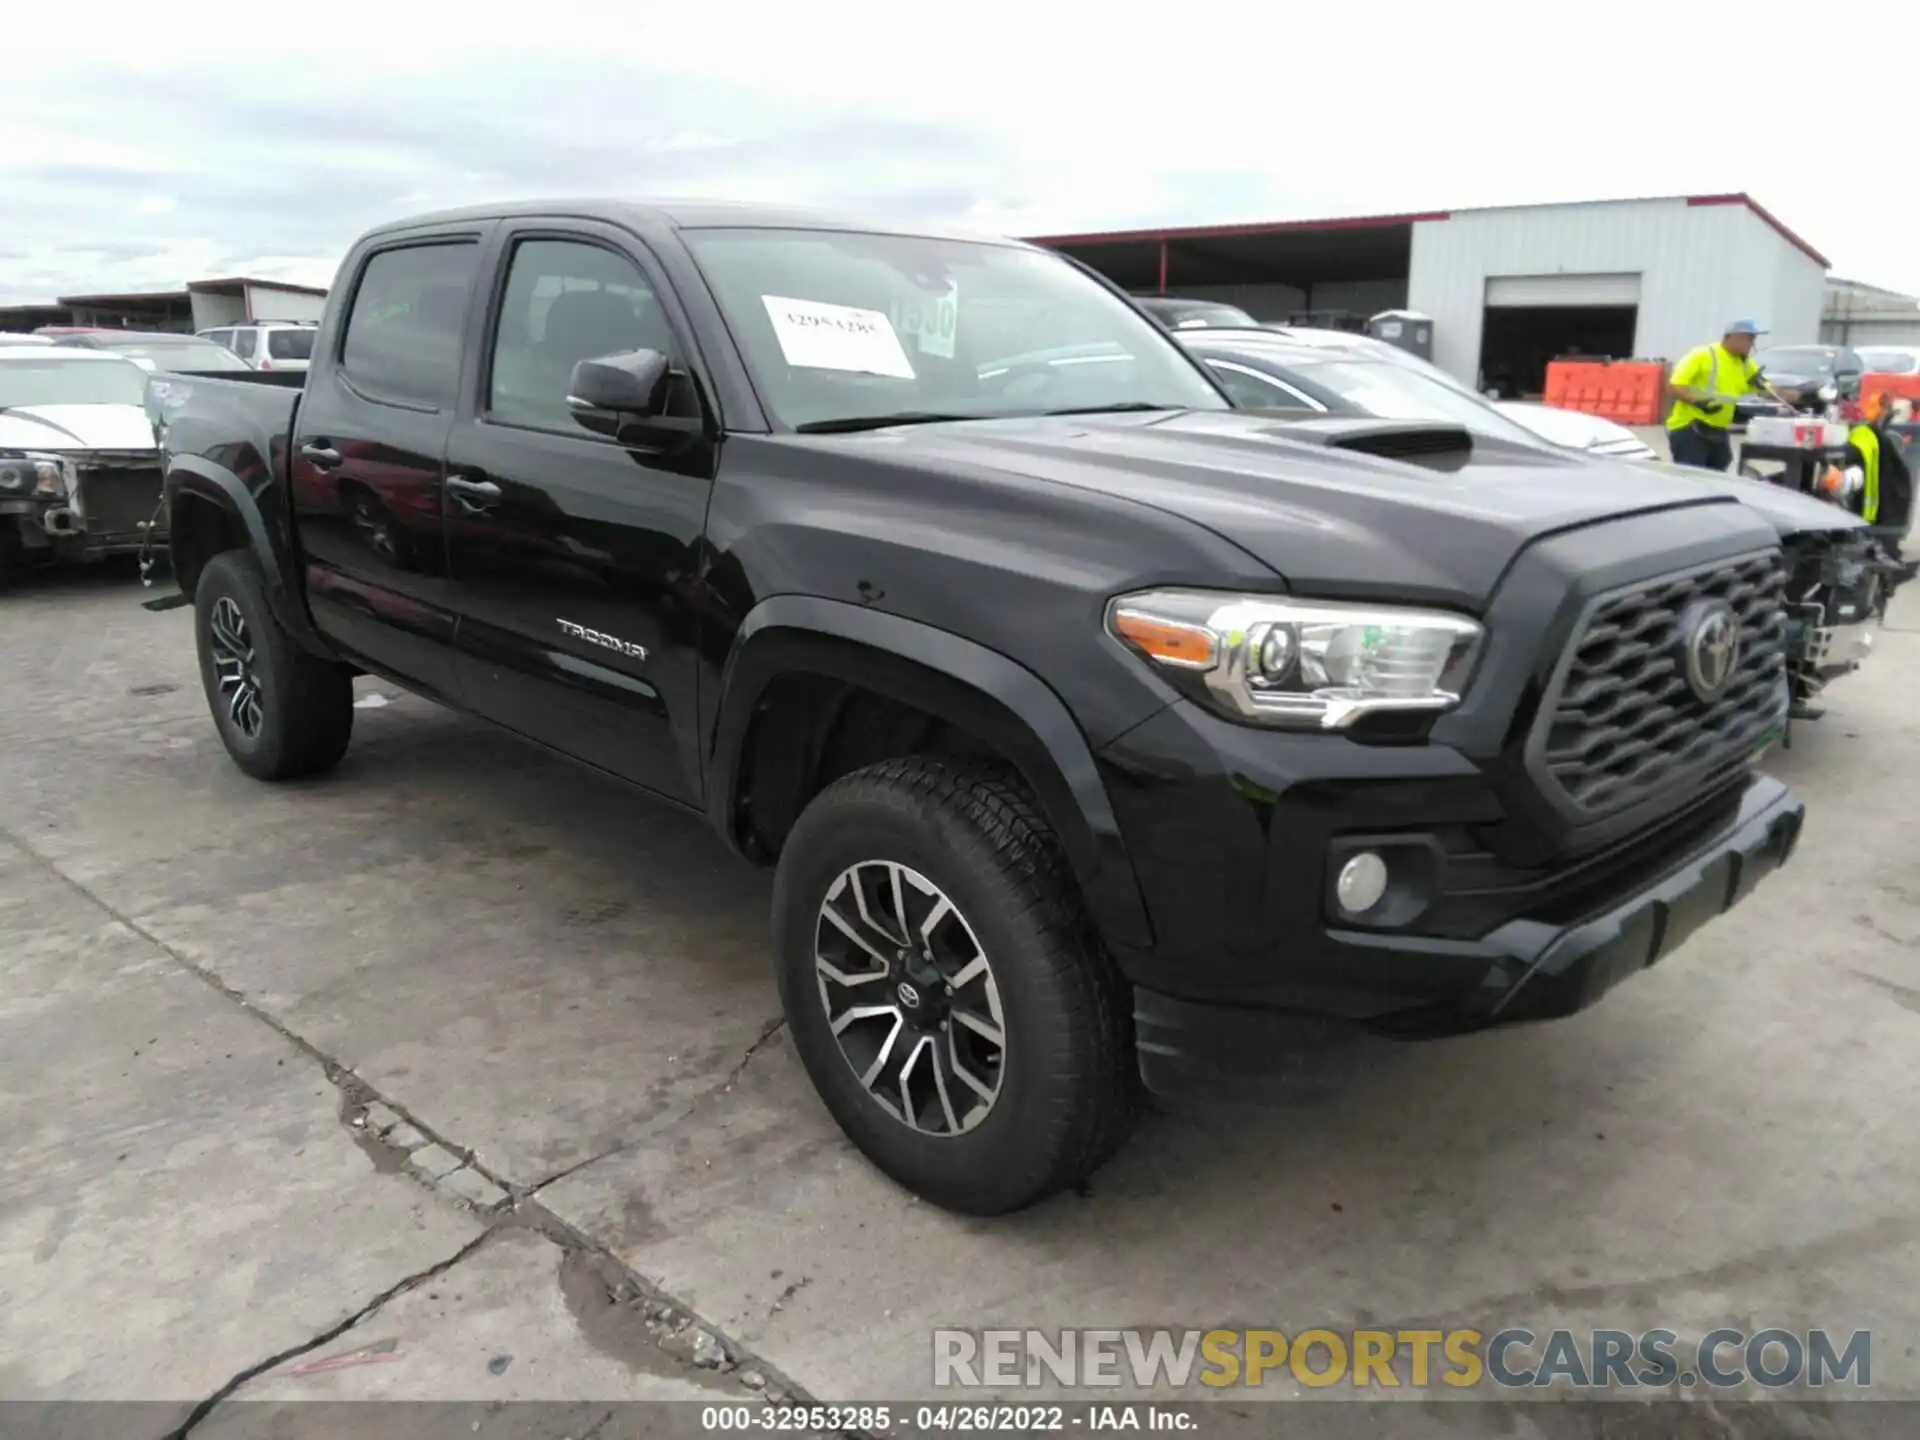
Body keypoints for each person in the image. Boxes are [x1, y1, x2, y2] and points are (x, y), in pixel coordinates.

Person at [1665, 319, 1766, 470]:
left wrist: (1798, 396)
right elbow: (1674, 386)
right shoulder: (1702, 355)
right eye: (1750, 339)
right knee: (1694, 478)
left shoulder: (1744, 363)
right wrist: (1696, 402)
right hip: (1691, 427)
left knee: (1719, 471)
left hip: (1718, 430)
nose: (1752, 344)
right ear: (1734, 337)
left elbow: (1767, 389)